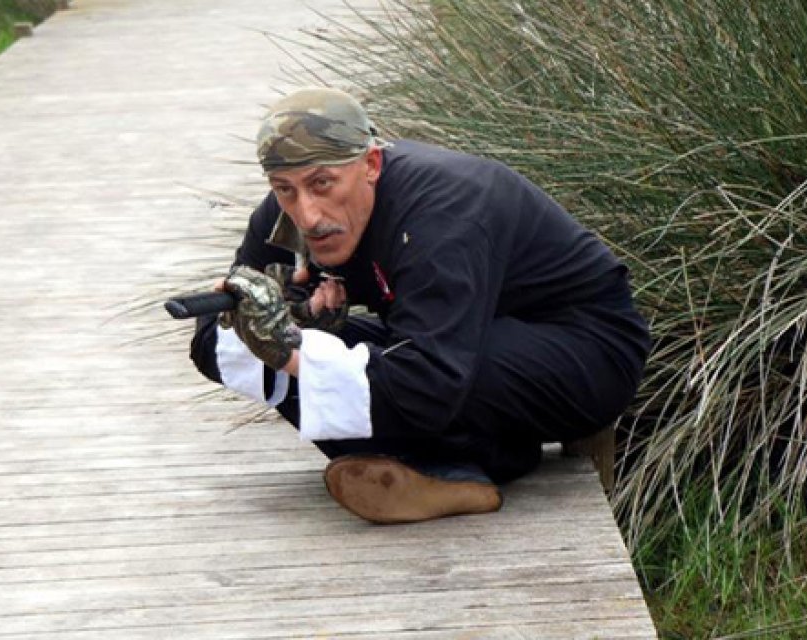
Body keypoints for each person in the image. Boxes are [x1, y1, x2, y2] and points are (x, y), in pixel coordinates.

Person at [189, 87, 650, 524]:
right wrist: (295, 318)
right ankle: (436, 474)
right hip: (449, 339)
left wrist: (287, 347)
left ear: (370, 164)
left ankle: (477, 462)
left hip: (585, 349)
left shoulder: (440, 212)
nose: (307, 214)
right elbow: (210, 342)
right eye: (284, 188)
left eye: (322, 183)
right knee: (272, 342)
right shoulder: (283, 214)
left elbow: (427, 381)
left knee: (342, 362)